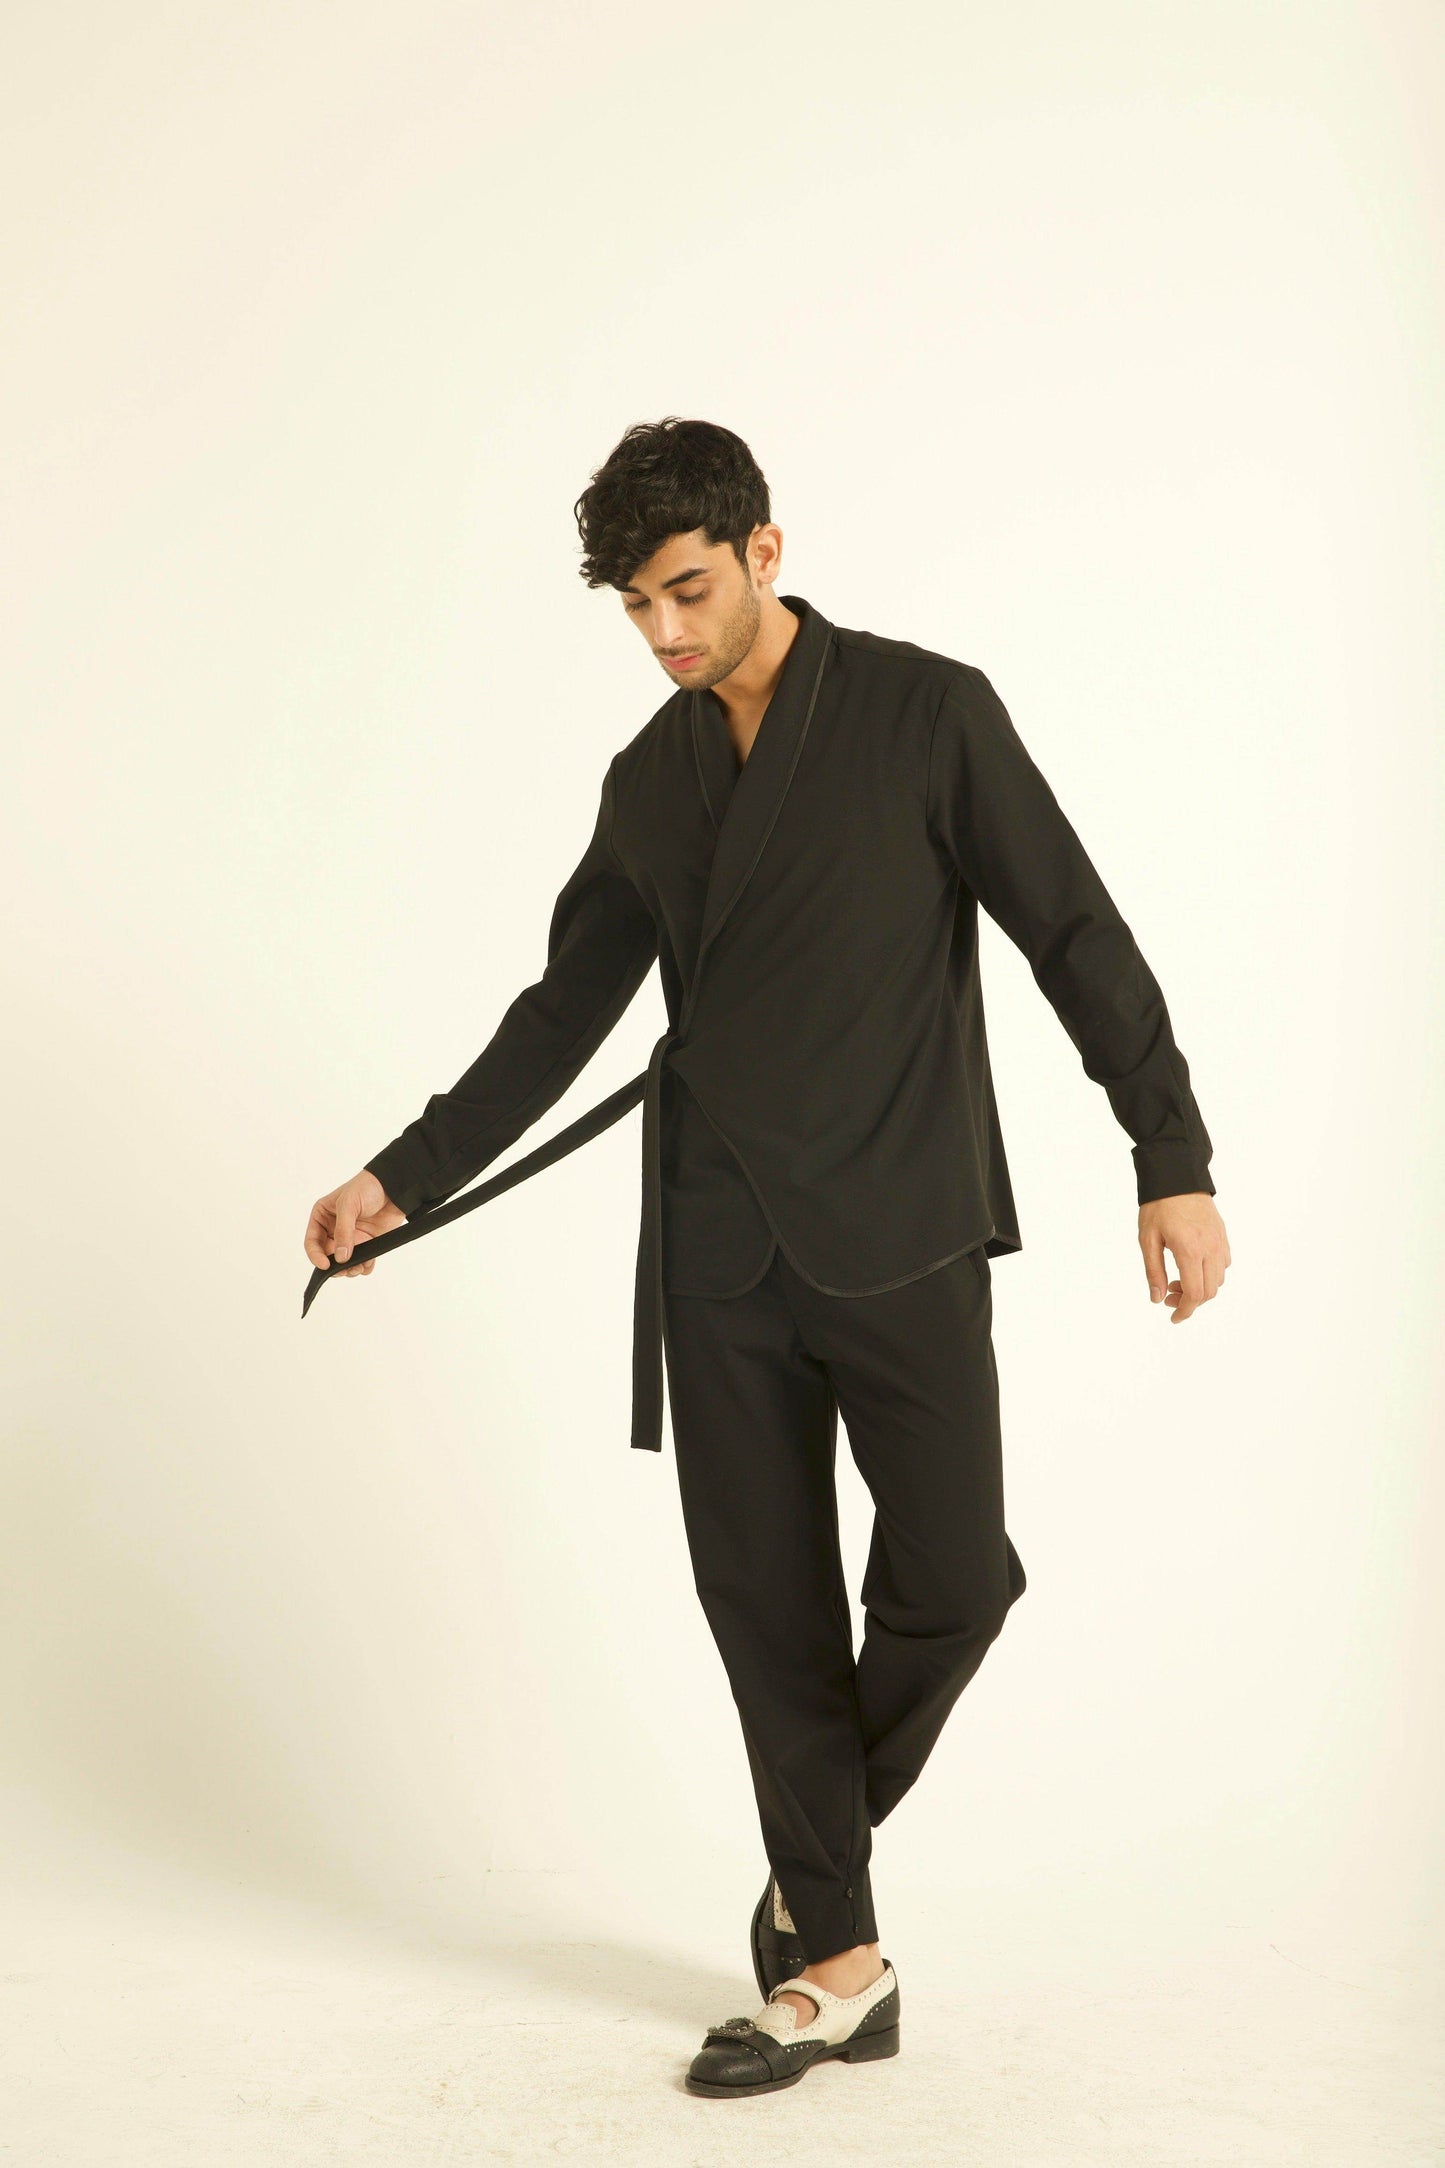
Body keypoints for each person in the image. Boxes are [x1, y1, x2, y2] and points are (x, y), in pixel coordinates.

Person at [304, 416, 1230, 2099]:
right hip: (718, 1248)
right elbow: (562, 1014)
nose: (663, 632)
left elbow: (1070, 929)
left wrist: (1167, 1156)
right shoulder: (648, 782)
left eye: (687, 589)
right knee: (767, 1610)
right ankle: (836, 1966)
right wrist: (401, 1178)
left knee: (956, 1581)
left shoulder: (926, 713)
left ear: (763, 552)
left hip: (903, 1229)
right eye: (635, 607)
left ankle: (813, 1864)